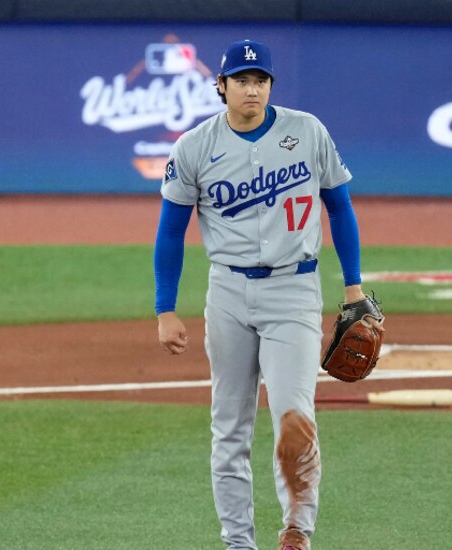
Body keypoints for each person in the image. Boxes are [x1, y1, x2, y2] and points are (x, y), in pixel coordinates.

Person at [154, 39, 382, 550]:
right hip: (228, 293)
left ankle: (297, 530)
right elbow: (171, 232)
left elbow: (340, 209)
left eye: (260, 80)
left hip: (294, 289)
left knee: (294, 417)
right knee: (229, 428)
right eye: (241, 80)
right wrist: (164, 308)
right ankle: (238, 542)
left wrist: (353, 286)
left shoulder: (307, 132)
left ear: (270, 86)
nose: (251, 89)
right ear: (221, 86)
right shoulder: (193, 146)